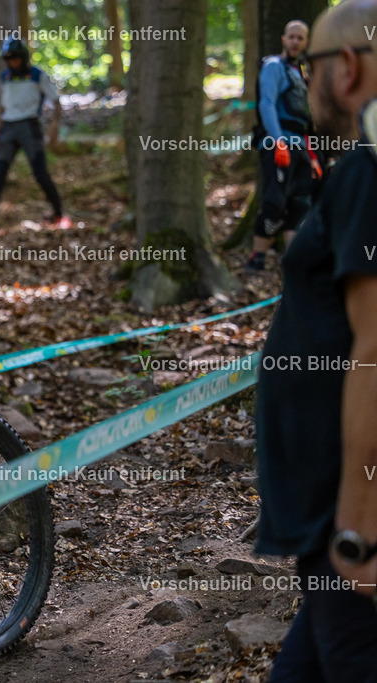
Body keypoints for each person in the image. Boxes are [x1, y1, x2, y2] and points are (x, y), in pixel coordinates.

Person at [254, 1, 377, 678]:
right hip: (331, 518)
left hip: (347, 517)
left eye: (315, 66)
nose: (306, 81)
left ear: (347, 68)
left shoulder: (368, 166)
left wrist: (359, 524)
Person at [0, 38, 69, 237]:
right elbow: (2, 106)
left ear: (23, 58)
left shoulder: (37, 75)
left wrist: (54, 127)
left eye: (15, 58)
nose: (13, 62)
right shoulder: (4, 77)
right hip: (8, 128)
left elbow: (56, 102)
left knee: (40, 173)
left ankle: (59, 215)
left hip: (30, 127)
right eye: (9, 59)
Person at [246, 20, 322, 272]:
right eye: (292, 37)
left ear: (306, 42)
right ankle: (256, 261)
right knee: (274, 204)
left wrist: (312, 155)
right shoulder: (273, 67)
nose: (295, 42)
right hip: (278, 144)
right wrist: (278, 140)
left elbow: (307, 120)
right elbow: (266, 104)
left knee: (301, 203)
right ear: (283, 39)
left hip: (301, 146)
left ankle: (292, 263)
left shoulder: (301, 73)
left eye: (300, 38)